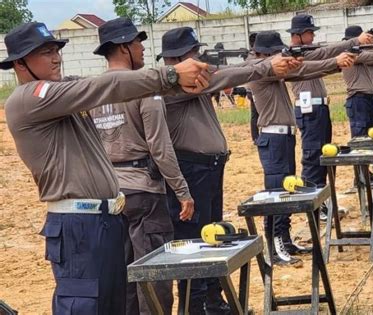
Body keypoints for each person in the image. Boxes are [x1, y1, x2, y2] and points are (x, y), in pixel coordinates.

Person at [1, 21, 210, 315]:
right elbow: (107, 85)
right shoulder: (28, 98)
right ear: (20, 62)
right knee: (85, 307)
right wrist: (171, 74)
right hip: (78, 226)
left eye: (56, 50)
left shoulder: (60, 93)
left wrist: (260, 69)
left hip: (104, 217)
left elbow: (111, 86)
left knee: (116, 304)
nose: (55, 57)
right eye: (45, 52)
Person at [158, 26, 300, 314]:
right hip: (192, 169)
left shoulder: (191, 81)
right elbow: (226, 76)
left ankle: (213, 300)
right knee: (195, 245)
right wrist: (264, 65)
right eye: (193, 54)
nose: (200, 59)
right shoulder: (175, 85)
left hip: (208, 168)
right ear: (180, 59)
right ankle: (195, 307)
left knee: (212, 239)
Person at [88, 18, 195, 315]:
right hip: (144, 192)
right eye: (137, 42)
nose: (143, 48)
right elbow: (160, 147)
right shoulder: (144, 88)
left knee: (122, 275)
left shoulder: (94, 89)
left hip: (110, 193)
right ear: (124, 47)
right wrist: (183, 191)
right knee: (154, 273)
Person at [249, 30, 356, 264]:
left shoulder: (267, 69)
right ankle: (274, 244)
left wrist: (333, 66)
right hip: (273, 138)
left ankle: (284, 240)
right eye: (276, 53)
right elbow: (303, 70)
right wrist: (334, 62)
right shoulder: (260, 69)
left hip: (282, 137)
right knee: (275, 195)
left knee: (286, 191)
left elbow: (305, 70)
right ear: (264, 54)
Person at [286, 14, 373, 221]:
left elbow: (324, 57)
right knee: (313, 159)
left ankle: (321, 201)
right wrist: (353, 42)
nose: (313, 36)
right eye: (309, 32)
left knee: (322, 157)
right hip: (310, 111)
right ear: (297, 35)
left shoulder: (306, 52)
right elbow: (326, 53)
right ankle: (314, 207)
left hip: (318, 110)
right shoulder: (295, 54)